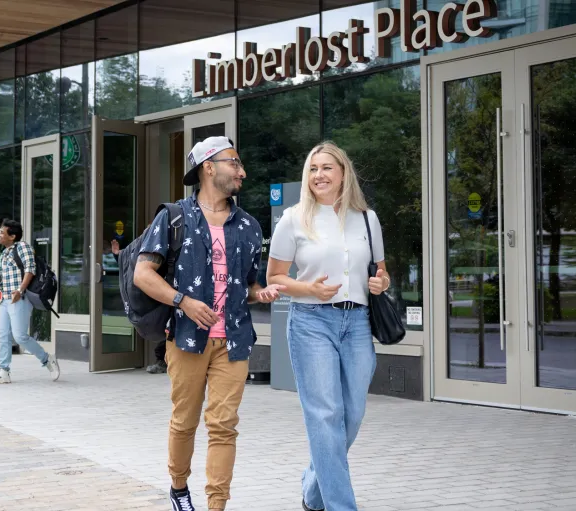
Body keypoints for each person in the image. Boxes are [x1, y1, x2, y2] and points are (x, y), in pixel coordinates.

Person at [134, 136, 283, 511]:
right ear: (208, 166)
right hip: (185, 338)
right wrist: (184, 301)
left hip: (233, 342)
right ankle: (179, 487)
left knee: (223, 425)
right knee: (185, 421)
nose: (242, 172)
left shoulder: (249, 226)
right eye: (235, 163)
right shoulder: (174, 217)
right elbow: (143, 274)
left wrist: (259, 293)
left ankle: (216, 504)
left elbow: (246, 285)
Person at [266, 142, 390, 511]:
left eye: (327, 168)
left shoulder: (367, 218)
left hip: (357, 322)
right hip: (310, 323)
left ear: (343, 173)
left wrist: (381, 283)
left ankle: (313, 490)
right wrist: (309, 289)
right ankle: (340, 505)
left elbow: (381, 272)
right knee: (325, 416)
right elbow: (274, 276)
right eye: (313, 168)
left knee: (351, 414)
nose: (319, 175)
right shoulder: (293, 218)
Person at [0, 219, 61, 384]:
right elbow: (5, 281)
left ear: (12, 236)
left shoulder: (22, 247)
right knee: (2, 335)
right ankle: (3, 372)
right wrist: (1, 304)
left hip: (20, 298)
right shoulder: (4, 254)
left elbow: (30, 269)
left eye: (2, 232)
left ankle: (47, 359)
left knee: (20, 336)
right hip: (6, 300)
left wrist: (20, 290)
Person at [114, 238, 167, 374]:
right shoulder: (147, 240)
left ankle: (163, 360)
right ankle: (162, 360)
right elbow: (131, 259)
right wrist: (118, 255)